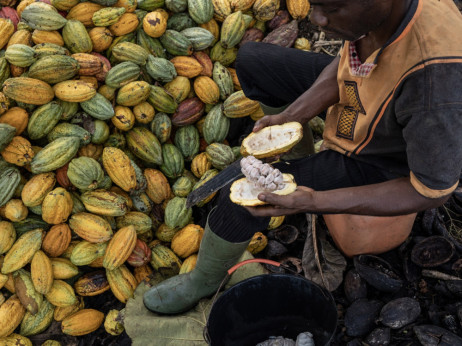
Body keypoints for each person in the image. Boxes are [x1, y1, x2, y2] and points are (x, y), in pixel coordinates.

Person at [144, 0, 462, 314]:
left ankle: (202, 280)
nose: (318, 20)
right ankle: (296, 152)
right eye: (314, 5)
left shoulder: (434, 86)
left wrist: (314, 201)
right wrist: (293, 117)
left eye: (333, 9)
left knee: (240, 198)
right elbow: (345, 65)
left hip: (378, 157)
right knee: (254, 62)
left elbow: (429, 190)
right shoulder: (379, 17)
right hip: (361, 103)